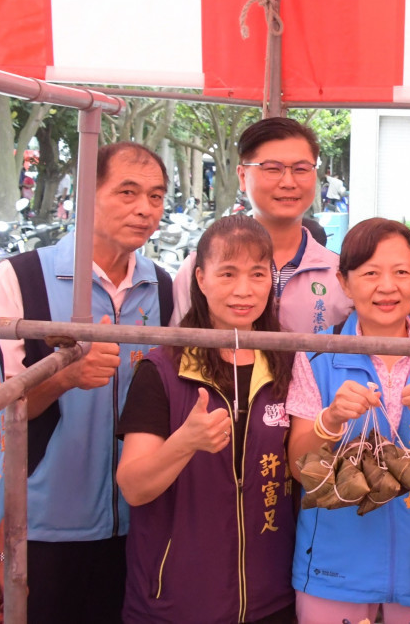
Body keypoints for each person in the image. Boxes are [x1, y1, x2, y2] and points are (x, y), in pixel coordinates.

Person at [0, 142, 172, 623]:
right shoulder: (19, 279)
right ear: (86, 194)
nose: (144, 209)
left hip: (140, 526)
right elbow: (4, 406)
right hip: (40, 528)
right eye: (128, 192)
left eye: (156, 197)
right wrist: (63, 377)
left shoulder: (165, 287)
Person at [117, 215, 297, 623]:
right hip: (173, 605)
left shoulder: (287, 360)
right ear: (200, 278)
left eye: (257, 274)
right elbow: (133, 487)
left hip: (271, 600)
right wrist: (184, 442)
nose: (243, 291)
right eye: (227, 273)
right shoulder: (163, 368)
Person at [287, 218, 410, 622]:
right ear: (345, 283)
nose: (387, 286)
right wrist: (331, 418)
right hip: (335, 568)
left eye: (401, 272)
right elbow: (300, 470)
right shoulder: (316, 356)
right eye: (370, 273)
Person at [173, 117, 351, 334]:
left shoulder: (341, 276)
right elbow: (176, 354)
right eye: (272, 169)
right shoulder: (200, 266)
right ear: (242, 175)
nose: (288, 182)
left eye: (301, 169)